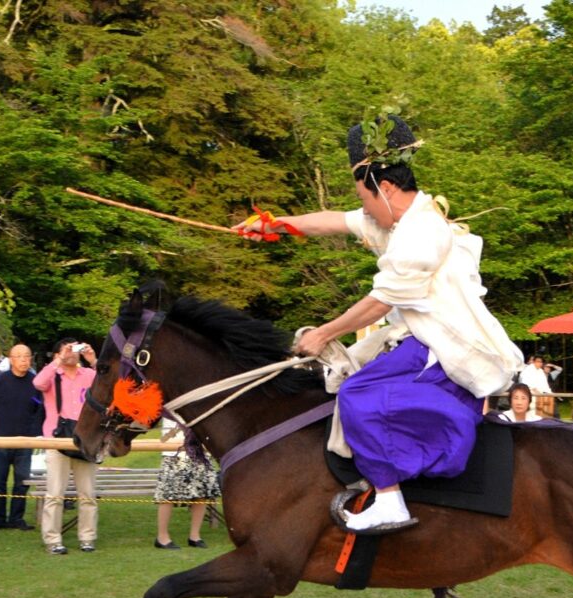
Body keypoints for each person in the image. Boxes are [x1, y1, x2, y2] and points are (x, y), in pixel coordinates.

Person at [235, 113, 522, 533]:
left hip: (442, 346)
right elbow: (334, 219)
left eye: (365, 198)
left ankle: (390, 500)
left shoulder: (422, 232)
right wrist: (275, 225)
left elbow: (379, 302)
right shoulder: (396, 218)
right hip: (417, 340)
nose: (363, 209)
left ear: (385, 188)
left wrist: (324, 334)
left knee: (356, 395)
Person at [33, 338, 98, 554]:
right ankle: (52, 540)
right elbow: (38, 384)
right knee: (54, 494)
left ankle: (87, 537)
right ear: (58, 353)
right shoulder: (53, 374)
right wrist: (59, 360)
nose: (72, 353)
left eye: (74, 349)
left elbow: (110, 384)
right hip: (57, 438)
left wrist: (93, 360)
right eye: (67, 349)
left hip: (84, 439)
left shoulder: (89, 375)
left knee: (87, 493)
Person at [0, 344, 43, 531]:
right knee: (0, 482)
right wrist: (2, 424)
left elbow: (38, 408)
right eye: (19, 356)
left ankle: (17, 518)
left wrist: (31, 430)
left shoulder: (35, 383)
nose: (24, 360)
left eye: (27, 356)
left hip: (25, 441)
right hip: (1, 440)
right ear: (11, 359)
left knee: (21, 482)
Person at [154, 418, 221, 549]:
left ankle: (194, 536)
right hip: (173, 451)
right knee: (167, 496)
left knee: (201, 494)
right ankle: (162, 537)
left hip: (199, 451)